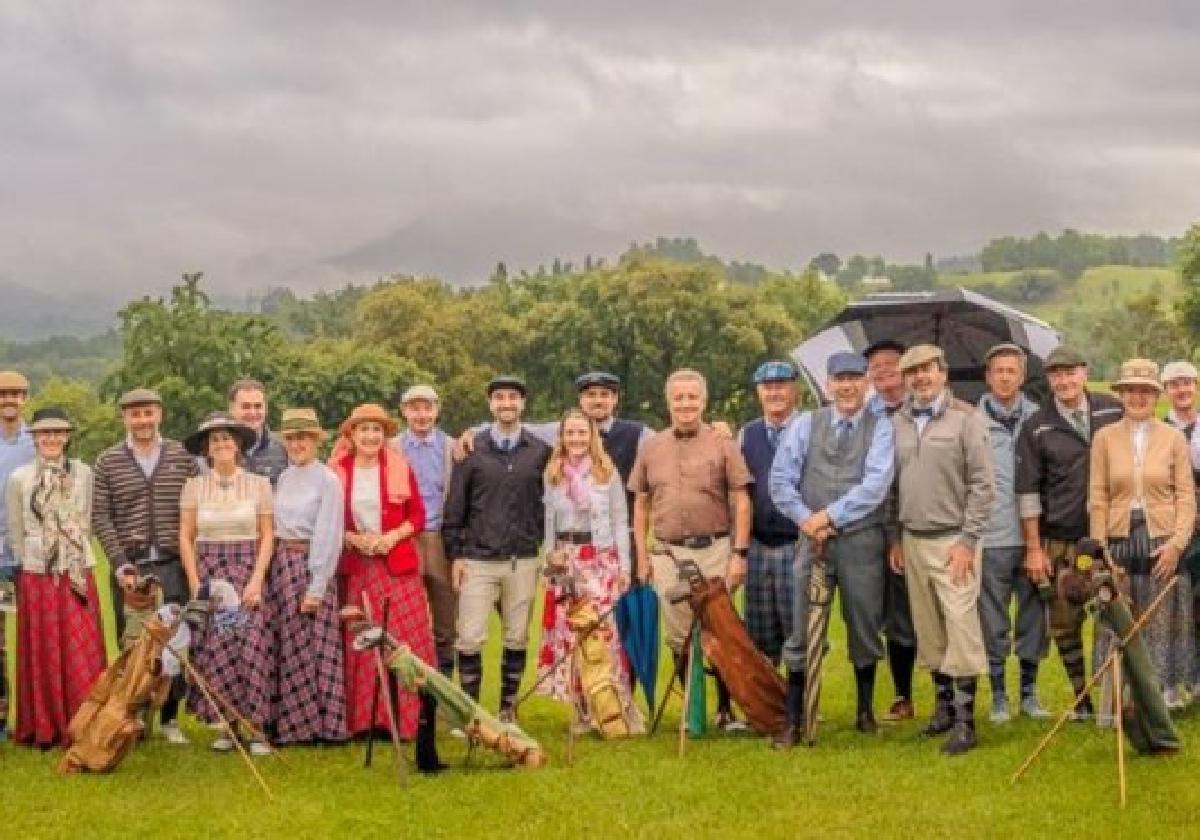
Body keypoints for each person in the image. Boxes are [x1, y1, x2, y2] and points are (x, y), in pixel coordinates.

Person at [769, 352, 894, 746]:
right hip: (812, 541)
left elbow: (876, 486)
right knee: (803, 623)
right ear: (827, 384)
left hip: (862, 541)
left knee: (864, 623)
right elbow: (780, 480)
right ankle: (794, 717)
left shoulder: (882, 427)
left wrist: (829, 517)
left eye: (855, 378)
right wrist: (808, 520)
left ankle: (864, 710)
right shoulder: (806, 424)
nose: (847, 386)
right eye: (840, 379)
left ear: (867, 384)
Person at [628, 368, 753, 731]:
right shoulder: (651, 448)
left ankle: (725, 709)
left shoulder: (722, 443)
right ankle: (690, 708)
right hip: (668, 553)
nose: (685, 404)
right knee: (679, 635)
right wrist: (642, 556)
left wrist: (739, 554)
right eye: (678, 398)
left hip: (714, 548)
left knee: (721, 630)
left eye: (692, 397)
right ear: (669, 402)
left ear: (703, 401)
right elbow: (640, 504)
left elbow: (741, 500)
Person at [887, 345, 994, 756]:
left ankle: (967, 721)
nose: (920, 378)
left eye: (927, 370)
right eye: (912, 372)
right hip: (913, 538)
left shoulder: (966, 420)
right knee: (928, 627)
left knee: (961, 625)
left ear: (942, 372)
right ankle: (944, 709)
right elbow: (892, 488)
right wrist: (895, 538)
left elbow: (984, 486)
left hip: (954, 540)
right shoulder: (895, 422)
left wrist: (968, 542)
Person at [329, 403, 442, 771]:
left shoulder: (398, 466)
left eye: (377, 430)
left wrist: (390, 537)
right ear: (351, 434)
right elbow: (327, 519)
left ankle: (410, 719)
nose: (371, 437)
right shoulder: (337, 472)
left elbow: (418, 516)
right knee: (362, 639)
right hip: (358, 564)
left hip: (395, 563)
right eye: (364, 430)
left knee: (404, 638)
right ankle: (366, 720)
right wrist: (350, 537)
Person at [1015, 345, 1123, 720]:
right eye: (1055, 374)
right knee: (1065, 623)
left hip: (1111, 537)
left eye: (1070, 372)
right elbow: (1027, 492)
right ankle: (1082, 699)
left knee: (1117, 615)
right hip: (1062, 539)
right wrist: (1034, 548)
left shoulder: (1112, 409)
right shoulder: (1036, 426)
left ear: (1085, 371)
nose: (1063, 380)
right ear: (1048, 380)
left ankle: (1117, 696)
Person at [91, 387, 198, 745]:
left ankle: (169, 717)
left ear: (160, 415)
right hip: (131, 566)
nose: (142, 420)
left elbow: (194, 510)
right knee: (133, 644)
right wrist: (120, 563)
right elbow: (101, 517)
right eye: (135, 414)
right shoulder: (108, 461)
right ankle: (132, 716)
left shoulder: (182, 457)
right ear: (124, 418)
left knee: (174, 643)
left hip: (172, 563)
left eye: (148, 413)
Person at [1090, 359, 1195, 715]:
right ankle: (1117, 697)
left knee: (1161, 616)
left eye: (1145, 391)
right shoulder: (1103, 438)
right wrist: (1103, 555)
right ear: (1121, 395)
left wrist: (1178, 544)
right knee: (1119, 615)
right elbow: (1098, 497)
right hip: (1119, 540)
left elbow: (1185, 496)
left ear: (1155, 396)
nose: (1137, 397)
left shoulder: (1173, 438)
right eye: (1130, 390)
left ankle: (1164, 692)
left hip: (1162, 538)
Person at [444, 377, 551, 724]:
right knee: (470, 637)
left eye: (513, 398)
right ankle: (471, 713)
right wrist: (455, 554)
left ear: (523, 404)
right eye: (500, 398)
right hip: (478, 558)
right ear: (491, 405)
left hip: (522, 558)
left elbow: (547, 502)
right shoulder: (471, 448)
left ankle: (507, 710)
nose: (507, 403)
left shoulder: (539, 450)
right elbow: (455, 505)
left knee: (517, 635)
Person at [536, 408, 643, 733]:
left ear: (591, 436)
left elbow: (620, 520)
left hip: (599, 559)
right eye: (570, 433)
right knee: (570, 638)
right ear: (562, 437)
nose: (577, 439)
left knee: (603, 635)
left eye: (582, 433)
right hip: (566, 559)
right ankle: (582, 712)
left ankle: (616, 708)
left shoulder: (606, 471)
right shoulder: (553, 472)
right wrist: (549, 562)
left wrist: (625, 566)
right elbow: (549, 523)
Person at [6, 407, 105, 747]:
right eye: (43, 433)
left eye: (57, 432)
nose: (50, 439)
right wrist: (32, 560)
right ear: (34, 438)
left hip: (76, 568)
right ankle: (46, 724)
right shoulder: (20, 477)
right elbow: (15, 529)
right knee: (45, 646)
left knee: (80, 644)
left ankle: (85, 721)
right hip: (38, 571)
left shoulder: (83, 473)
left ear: (67, 436)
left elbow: (88, 517)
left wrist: (73, 552)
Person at [180, 411, 274, 755]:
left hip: (247, 570)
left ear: (238, 446)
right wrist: (195, 583)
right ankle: (227, 725)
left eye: (227, 439)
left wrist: (257, 580)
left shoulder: (258, 484)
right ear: (207, 449)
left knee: (250, 646)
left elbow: (267, 537)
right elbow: (186, 537)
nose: (222, 444)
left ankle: (256, 728)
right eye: (215, 440)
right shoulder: (193, 486)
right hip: (210, 572)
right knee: (218, 649)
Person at [974, 345, 1049, 723]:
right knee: (992, 618)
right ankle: (999, 694)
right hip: (991, 536)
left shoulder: (1039, 418)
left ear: (1022, 376)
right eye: (998, 370)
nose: (1005, 377)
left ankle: (1029, 692)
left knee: (1034, 617)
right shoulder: (971, 421)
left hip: (1033, 537)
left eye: (1012, 371)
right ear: (988, 377)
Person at [268, 408, 348, 745]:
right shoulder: (284, 477)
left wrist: (317, 585)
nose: (297, 444)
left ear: (315, 440)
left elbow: (329, 533)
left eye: (303, 437)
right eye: (291, 438)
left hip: (311, 563)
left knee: (317, 645)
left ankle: (325, 725)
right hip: (282, 564)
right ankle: (295, 723)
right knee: (290, 644)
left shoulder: (327, 479)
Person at [866, 339, 918, 722]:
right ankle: (903, 694)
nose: (883, 370)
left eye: (890, 363)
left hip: (918, 521)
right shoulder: (864, 416)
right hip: (874, 527)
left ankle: (947, 692)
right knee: (890, 614)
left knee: (928, 612)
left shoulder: (921, 411)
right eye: (875, 366)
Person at [739, 361, 801, 668]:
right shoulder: (746, 434)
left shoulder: (810, 428)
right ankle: (770, 705)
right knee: (760, 630)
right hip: (758, 544)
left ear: (794, 389)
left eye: (781, 385)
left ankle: (799, 706)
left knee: (797, 627)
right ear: (759, 392)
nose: (774, 392)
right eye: (768, 387)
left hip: (797, 542)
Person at [393, 384, 457, 679]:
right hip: (403, 537)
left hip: (439, 536)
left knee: (445, 618)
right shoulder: (391, 448)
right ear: (405, 411)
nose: (421, 415)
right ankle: (410, 686)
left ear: (437, 409)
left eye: (427, 408)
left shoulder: (452, 448)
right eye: (415, 408)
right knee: (405, 617)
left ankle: (443, 688)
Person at [1160, 360, 1200, 700]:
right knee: (1175, 605)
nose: (1182, 389)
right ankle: (1171, 682)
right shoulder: (1160, 432)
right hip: (1172, 529)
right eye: (1174, 384)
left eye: (1187, 382)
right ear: (1165, 390)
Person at [0, 369, 34, 739]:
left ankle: (34, 717)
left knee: (33, 638)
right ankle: (0, 718)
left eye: (16, 394)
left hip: (29, 556)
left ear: (26, 398)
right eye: (3, 394)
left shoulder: (35, 441)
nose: (9, 400)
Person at [228, 378, 288, 486]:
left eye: (258, 406)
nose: (253, 412)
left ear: (266, 408)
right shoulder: (218, 448)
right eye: (246, 407)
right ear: (231, 409)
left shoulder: (284, 447)